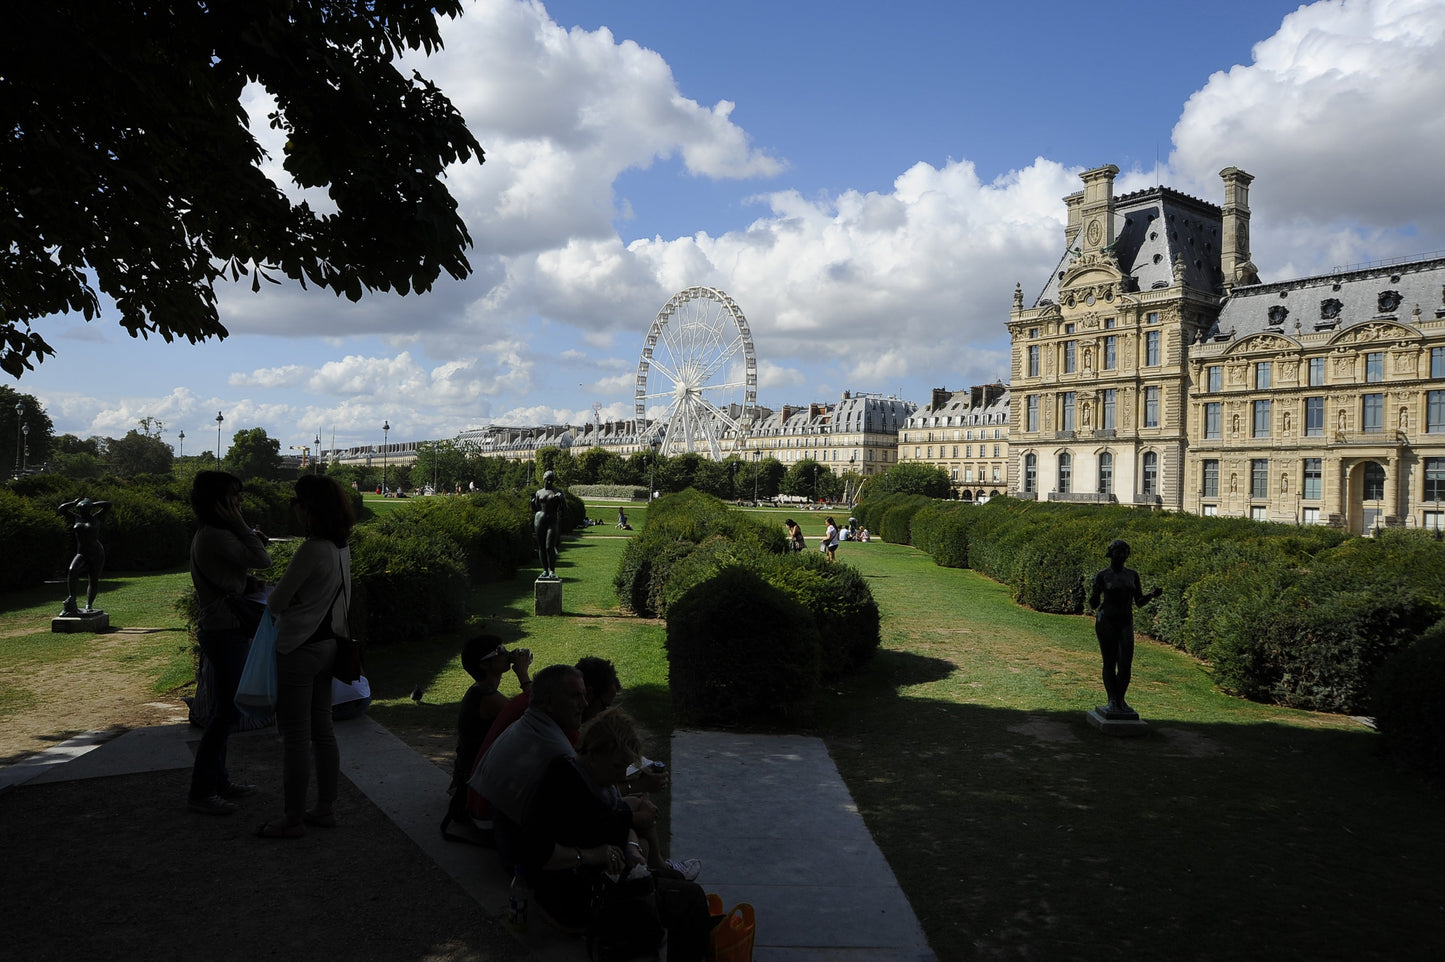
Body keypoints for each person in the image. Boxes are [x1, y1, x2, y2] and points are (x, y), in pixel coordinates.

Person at [518, 709, 712, 959]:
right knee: (690, 899)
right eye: (618, 766)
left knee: (671, 878)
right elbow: (537, 854)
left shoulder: (591, 779)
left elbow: (616, 817)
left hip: (596, 879)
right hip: (571, 898)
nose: (623, 775)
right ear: (594, 753)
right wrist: (592, 855)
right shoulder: (564, 786)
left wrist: (631, 847)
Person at [257, 475, 355, 838]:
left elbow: (276, 601)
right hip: (330, 644)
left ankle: (292, 817)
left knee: (296, 737)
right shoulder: (340, 546)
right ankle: (325, 806)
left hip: (299, 647)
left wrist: (287, 598)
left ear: (308, 508)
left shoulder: (312, 548)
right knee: (323, 731)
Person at [186, 471, 271, 816]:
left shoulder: (213, 534)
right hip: (223, 631)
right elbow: (261, 557)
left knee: (226, 711)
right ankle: (202, 792)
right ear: (217, 502)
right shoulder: (216, 535)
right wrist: (242, 525)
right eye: (233, 499)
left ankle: (218, 782)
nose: (238, 504)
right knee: (224, 715)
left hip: (224, 627)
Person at [444, 635, 532, 836]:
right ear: (485, 665)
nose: (506, 654)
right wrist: (523, 675)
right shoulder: (486, 696)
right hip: (475, 787)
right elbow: (536, 715)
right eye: (500, 651)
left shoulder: (481, 692)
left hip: (471, 778)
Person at [1087, 539, 1162, 718]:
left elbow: (1139, 601)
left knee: (1125, 663)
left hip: (1125, 622)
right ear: (1111, 553)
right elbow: (1093, 603)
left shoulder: (1132, 575)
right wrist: (1096, 592)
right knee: (1109, 661)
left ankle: (1121, 699)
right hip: (1106, 620)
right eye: (1117, 552)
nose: (1121, 555)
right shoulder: (1103, 575)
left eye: (1124, 552)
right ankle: (1112, 700)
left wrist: (1152, 594)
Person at [58, 496, 112, 615]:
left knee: (93, 579)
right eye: (81, 509)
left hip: (96, 553)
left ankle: (89, 605)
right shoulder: (76, 518)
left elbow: (108, 504)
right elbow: (61, 509)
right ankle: (72, 599)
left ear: (89, 509)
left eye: (85, 509)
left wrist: (92, 504)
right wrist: (73, 502)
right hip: (81, 553)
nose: (82, 511)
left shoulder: (96, 517)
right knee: (72, 570)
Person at [531, 470, 565, 578]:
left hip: (552, 520)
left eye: (551, 480)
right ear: (543, 479)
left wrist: (561, 499)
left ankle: (552, 571)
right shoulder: (539, 492)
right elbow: (535, 508)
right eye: (547, 479)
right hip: (539, 520)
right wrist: (531, 502)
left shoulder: (557, 492)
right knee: (541, 547)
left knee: (549, 546)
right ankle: (545, 570)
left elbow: (564, 509)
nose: (549, 482)